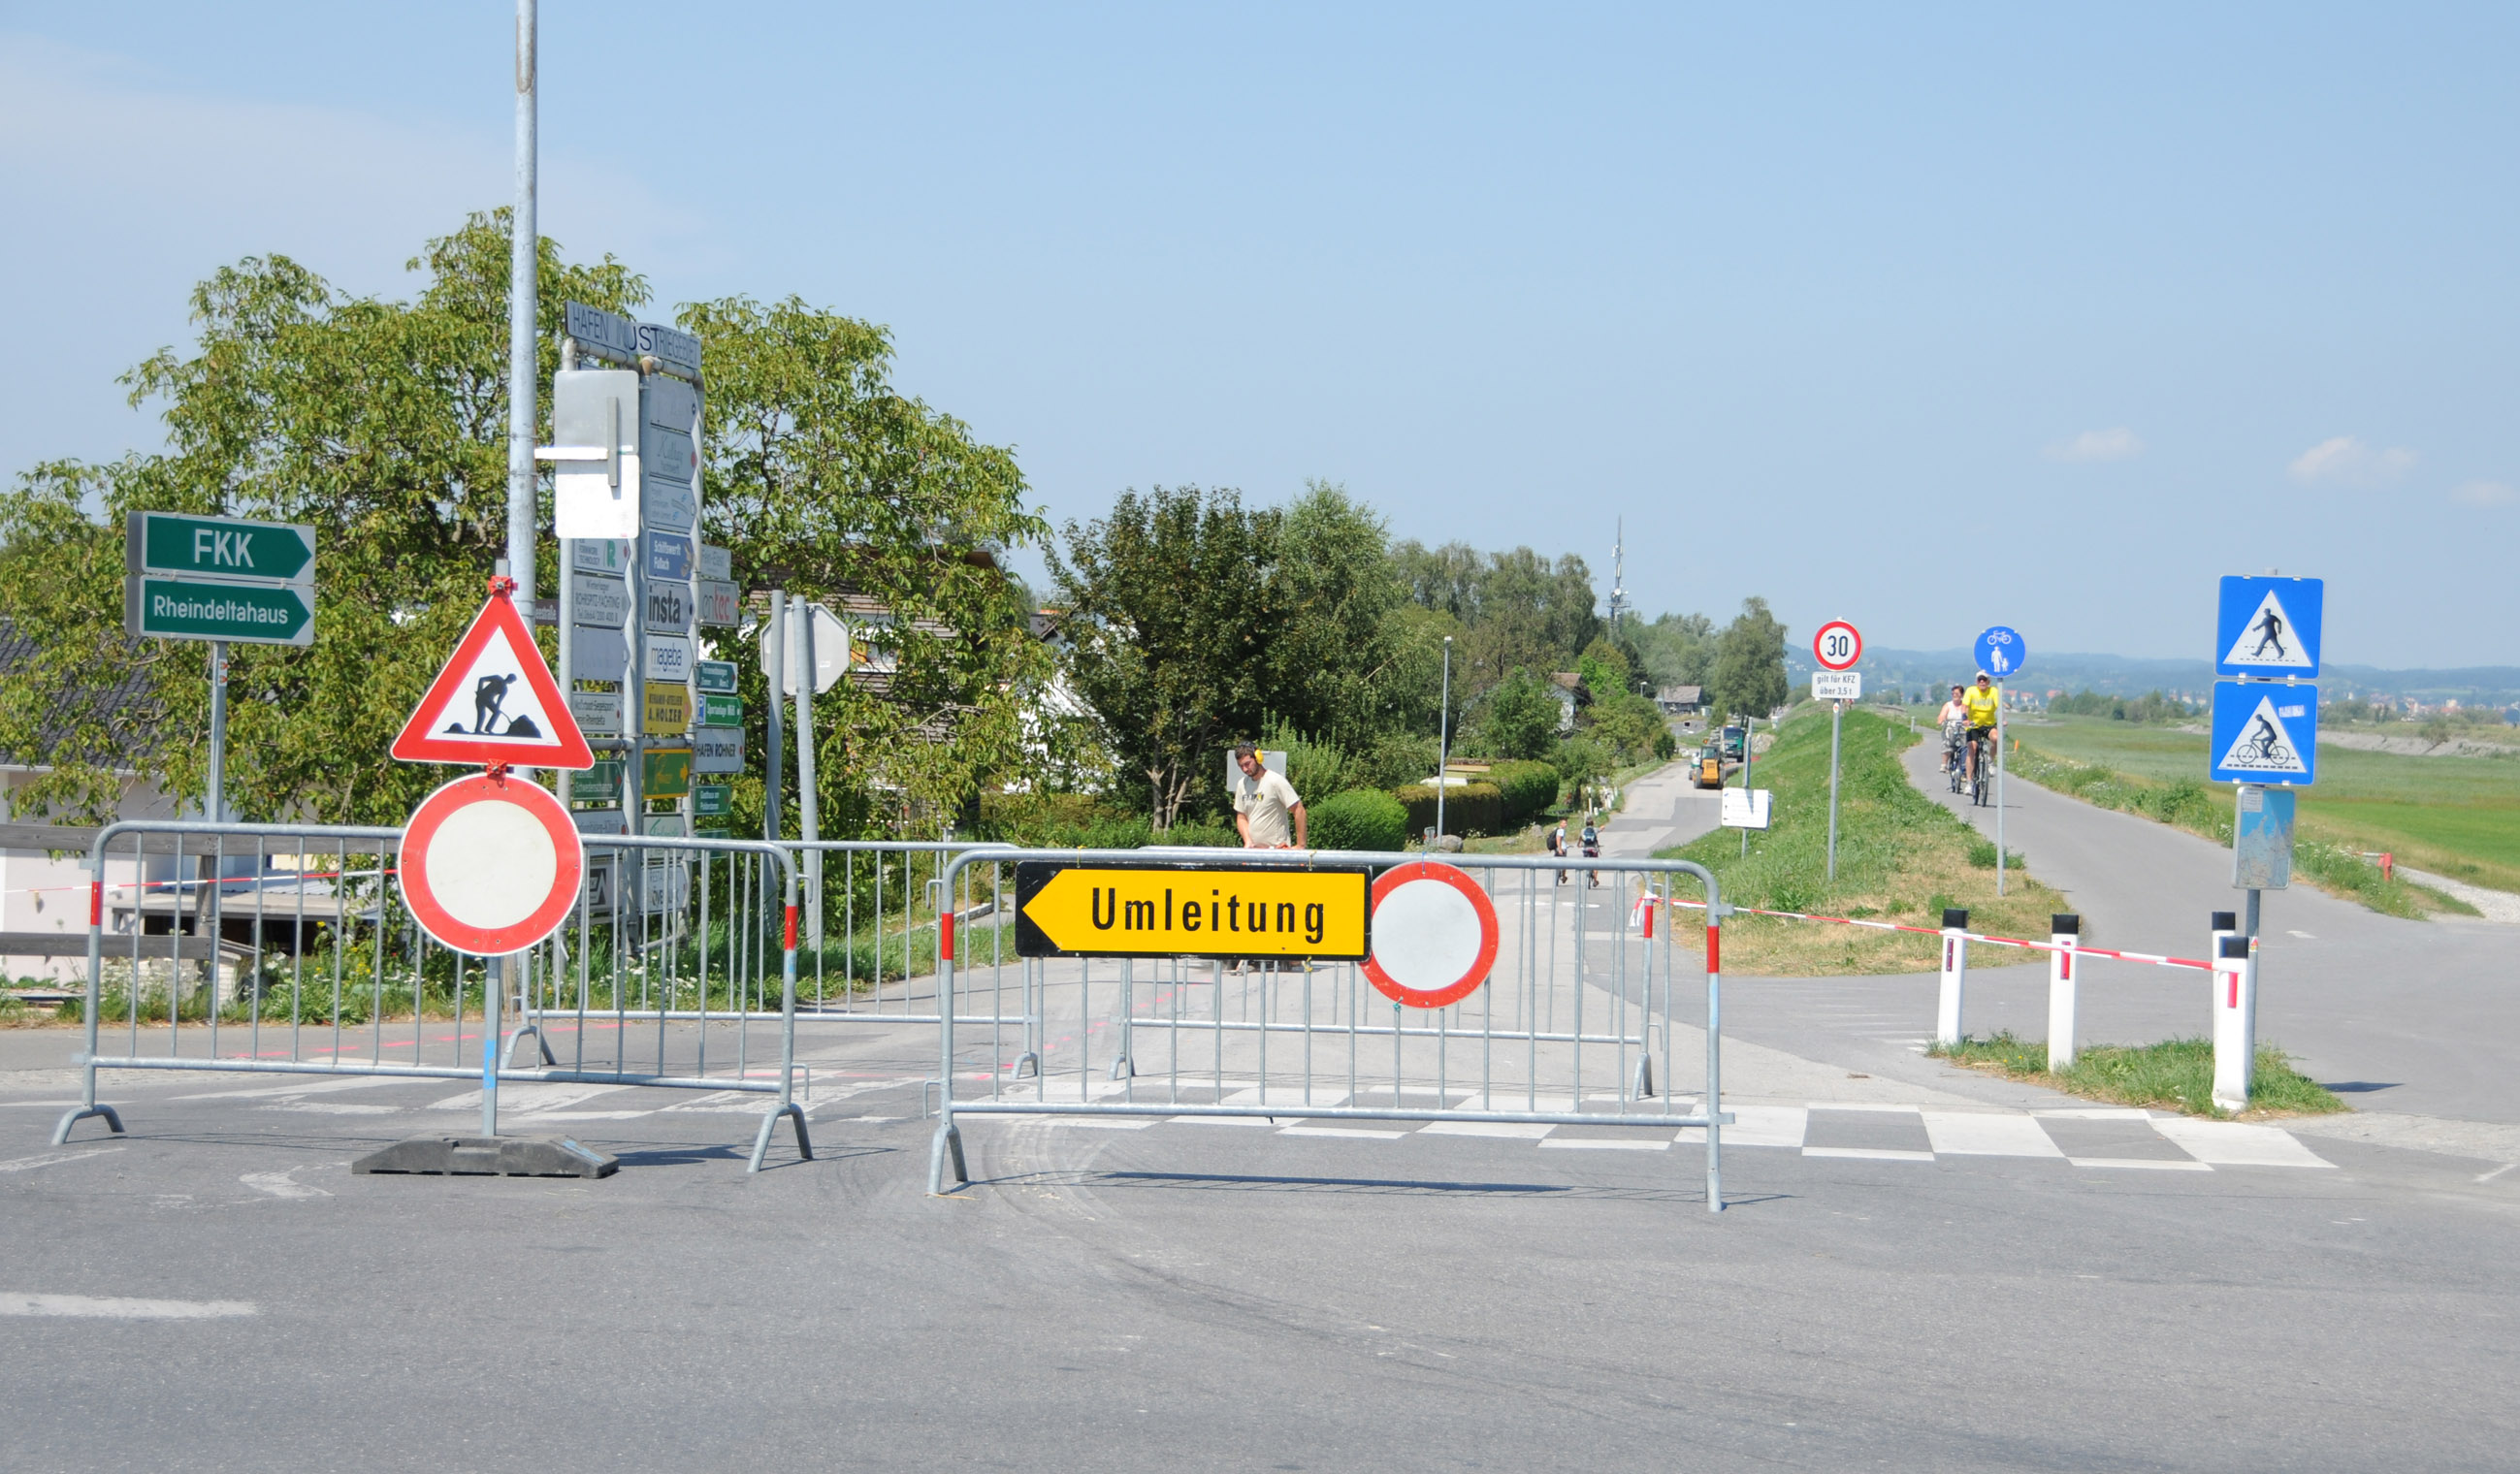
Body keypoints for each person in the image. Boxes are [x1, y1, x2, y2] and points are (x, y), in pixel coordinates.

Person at [1231, 744, 1306, 849]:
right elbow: (1241, 817)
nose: (1245, 769)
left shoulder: (1275, 781)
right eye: (1241, 766)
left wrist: (1300, 845)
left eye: (1247, 764)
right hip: (1254, 852)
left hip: (1277, 850)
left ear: (1258, 758)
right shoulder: (1242, 785)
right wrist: (1248, 841)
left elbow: (1299, 809)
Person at [1961, 672, 2002, 786]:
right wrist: (1964, 718)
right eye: (1980, 680)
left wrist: (2003, 719)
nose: (1982, 682)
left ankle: (1990, 761)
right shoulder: (1971, 690)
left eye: (1984, 680)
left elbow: (1999, 706)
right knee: (1972, 748)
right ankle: (1969, 782)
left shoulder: (1993, 691)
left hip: (1988, 724)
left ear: (1989, 682)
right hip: (1973, 725)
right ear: (1976, 681)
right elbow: (1965, 706)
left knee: (1997, 739)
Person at [1936, 684, 1969, 774]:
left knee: (1965, 745)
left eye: (1957, 694)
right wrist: (1941, 720)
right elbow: (1942, 715)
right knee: (1948, 744)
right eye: (1953, 693)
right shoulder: (1948, 705)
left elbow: (1969, 716)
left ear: (1962, 695)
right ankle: (1944, 764)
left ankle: (1964, 767)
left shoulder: (1965, 706)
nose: (1954, 695)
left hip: (1962, 728)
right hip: (1950, 727)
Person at [1580, 817, 1601, 888]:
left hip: (1585, 849)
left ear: (1586, 823)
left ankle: (1586, 871)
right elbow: (1601, 828)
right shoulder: (1595, 830)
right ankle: (1595, 880)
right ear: (1593, 823)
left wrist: (1579, 844)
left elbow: (1581, 838)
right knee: (1595, 865)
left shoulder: (1583, 830)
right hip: (1593, 849)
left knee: (1586, 862)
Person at [1549, 821, 1569, 885]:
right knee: (1564, 863)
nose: (1566, 824)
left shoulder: (1557, 830)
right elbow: (1558, 839)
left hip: (1557, 848)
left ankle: (1559, 876)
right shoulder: (1561, 830)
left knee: (1558, 862)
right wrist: (1560, 849)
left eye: (1566, 823)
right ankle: (1563, 876)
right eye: (1564, 823)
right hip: (1562, 849)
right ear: (1560, 824)